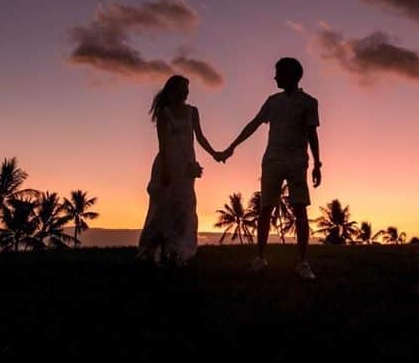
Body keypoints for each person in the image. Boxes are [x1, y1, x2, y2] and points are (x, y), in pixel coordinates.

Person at [221, 57, 321, 280]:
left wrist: (317, 164)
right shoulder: (272, 101)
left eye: (278, 73)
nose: (274, 77)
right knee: (265, 209)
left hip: (297, 161)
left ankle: (303, 263)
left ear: (291, 75)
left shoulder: (308, 102)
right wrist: (232, 147)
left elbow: (313, 134)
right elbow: (254, 124)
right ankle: (260, 258)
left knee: (300, 209)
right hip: (272, 161)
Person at [137, 75, 225, 266]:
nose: (186, 92)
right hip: (167, 163)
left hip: (186, 166)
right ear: (172, 90)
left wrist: (214, 154)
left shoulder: (193, 111)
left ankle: (177, 250)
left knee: (184, 207)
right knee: (162, 207)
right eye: (182, 88)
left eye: (187, 88)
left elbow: (200, 137)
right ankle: (151, 250)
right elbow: (162, 144)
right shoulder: (164, 113)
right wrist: (166, 170)